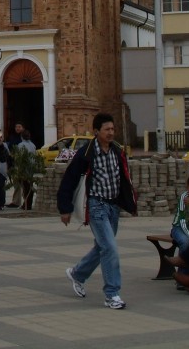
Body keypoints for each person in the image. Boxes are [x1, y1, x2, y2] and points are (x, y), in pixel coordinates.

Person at [58, 112, 138, 310]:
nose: (111, 133)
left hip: (113, 207)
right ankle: (112, 294)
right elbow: (70, 178)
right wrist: (65, 208)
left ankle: (77, 274)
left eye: (113, 129)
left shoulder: (117, 151)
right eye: (107, 130)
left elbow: (124, 180)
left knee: (103, 247)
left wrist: (130, 202)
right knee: (110, 248)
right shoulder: (87, 153)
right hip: (96, 206)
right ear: (96, 132)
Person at [9, 129, 37, 208]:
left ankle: (26, 204)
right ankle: (28, 203)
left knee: (25, 187)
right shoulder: (33, 145)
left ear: (22, 137)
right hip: (31, 169)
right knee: (29, 186)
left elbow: (18, 158)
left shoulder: (20, 145)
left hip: (23, 169)